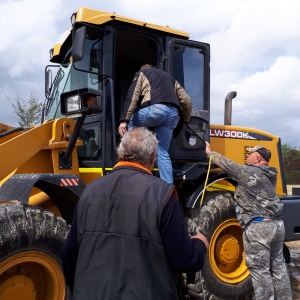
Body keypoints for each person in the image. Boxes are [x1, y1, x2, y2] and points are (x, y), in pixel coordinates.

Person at [63, 127, 209, 300]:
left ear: (120, 154)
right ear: (152, 157)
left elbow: (69, 255)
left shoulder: (89, 191)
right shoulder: (164, 194)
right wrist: (199, 245)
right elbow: (185, 260)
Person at [205, 142, 292, 300]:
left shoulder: (248, 173)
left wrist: (210, 153)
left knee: (260, 271)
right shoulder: (271, 175)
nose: (247, 155)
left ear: (257, 158)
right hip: (278, 226)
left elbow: (226, 164)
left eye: (250, 153)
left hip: (260, 228)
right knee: (279, 267)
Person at [118, 64, 192, 184]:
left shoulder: (142, 73)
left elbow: (133, 96)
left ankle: (131, 155)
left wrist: (123, 120)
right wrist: (187, 120)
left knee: (132, 121)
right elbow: (187, 101)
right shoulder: (170, 78)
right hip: (173, 114)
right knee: (163, 151)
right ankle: (167, 188)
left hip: (156, 110)